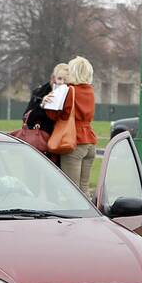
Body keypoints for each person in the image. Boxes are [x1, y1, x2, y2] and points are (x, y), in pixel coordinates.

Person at [45, 56, 96, 196]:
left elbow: (54, 115)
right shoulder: (90, 90)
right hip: (90, 142)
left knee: (72, 191)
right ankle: (89, 217)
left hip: (74, 142)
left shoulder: (69, 91)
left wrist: (45, 102)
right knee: (84, 189)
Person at [23, 63, 70, 134]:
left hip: (62, 137)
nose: (62, 83)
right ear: (54, 78)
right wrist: (42, 105)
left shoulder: (71, 93)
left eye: (66, 80)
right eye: (59, 78)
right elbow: (27, 119)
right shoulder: (39, 93)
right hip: (41, 137)